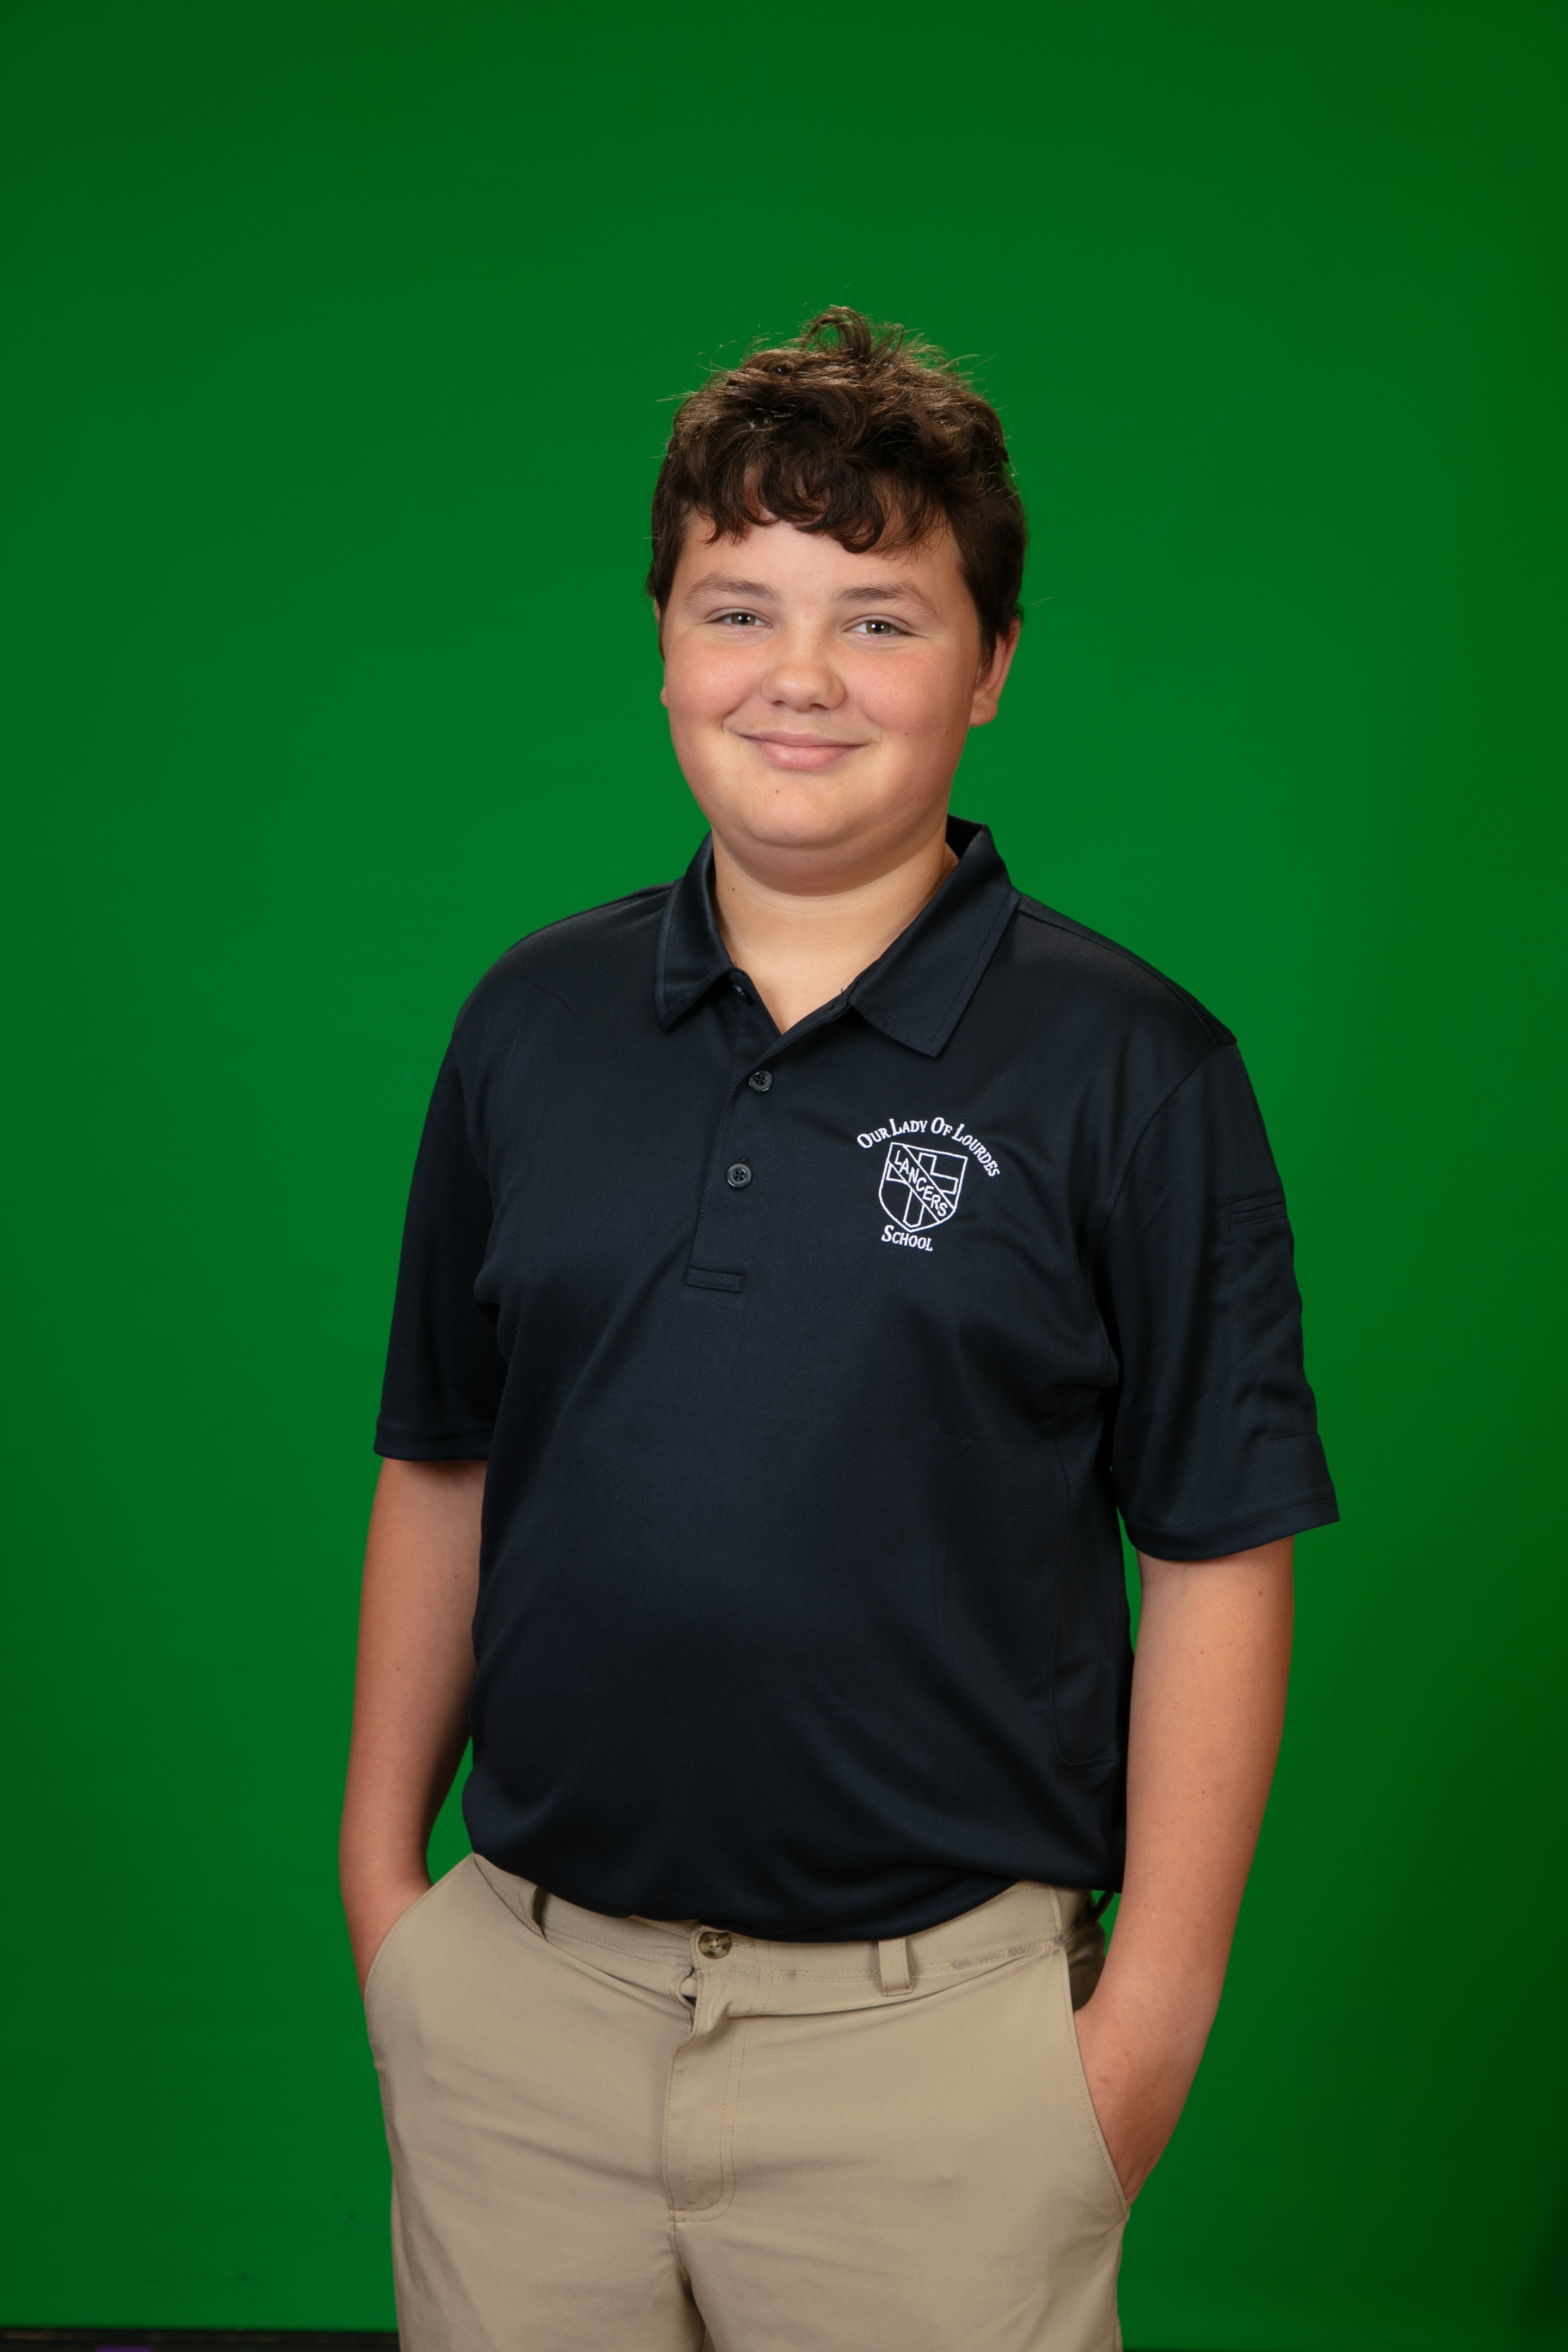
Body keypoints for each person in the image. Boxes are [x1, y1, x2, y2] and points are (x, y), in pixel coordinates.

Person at [339, 307, 1337, 2352]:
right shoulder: (528, 1026)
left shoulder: (1135, 1070)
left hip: (938, 2060)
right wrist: (384, 1894)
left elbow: (1221, 1554)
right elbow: (443, 1453)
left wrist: (1139, 2034)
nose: (799, 676)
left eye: (880, 620)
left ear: (992, 667)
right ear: (664, 643)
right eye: (741, 610)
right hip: (524, 2022)